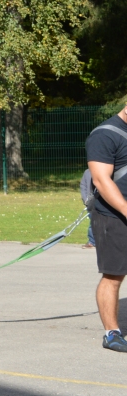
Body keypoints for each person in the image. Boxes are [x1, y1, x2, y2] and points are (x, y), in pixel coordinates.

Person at [85, 102, 127, 352]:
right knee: (114, 275)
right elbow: (101, 180)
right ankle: (112, 334)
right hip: (113, 216)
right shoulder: (105, 134)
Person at [81, 168, 96, 249]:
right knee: (92, 222)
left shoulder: (105, 169)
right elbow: (83, 185)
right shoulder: (87, 172)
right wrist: (85, 199)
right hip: (90, 201)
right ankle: (92, 241)